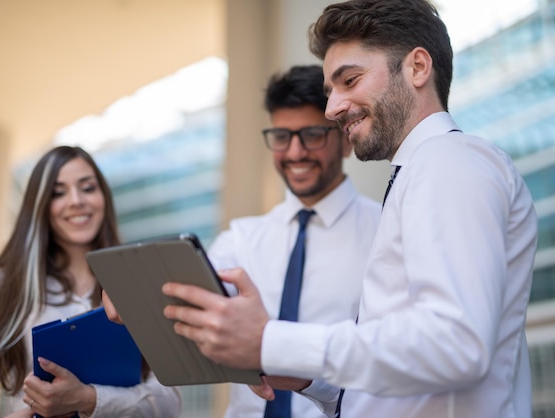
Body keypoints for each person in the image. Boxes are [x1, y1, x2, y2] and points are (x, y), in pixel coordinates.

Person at [159, 0, 539, 417]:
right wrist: (305, 376)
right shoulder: (421, 173)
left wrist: (272, 341)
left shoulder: (447, 161)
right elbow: (397, 381)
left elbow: (456, 344)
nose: (332, 108)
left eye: (350, 80)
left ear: (416, 68)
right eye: (331, 90)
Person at [0, 146, 181, 417]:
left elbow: (170, 402)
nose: (76, 201)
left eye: (87, 188)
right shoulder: (2, 288)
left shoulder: (136, 283)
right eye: (58, 192)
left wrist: (88, 399)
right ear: (40, 206)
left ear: (103, 197)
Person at [207, 65, 380, 418]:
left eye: (312, 135)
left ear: (346, 139)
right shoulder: (239, 240)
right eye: (282, 136)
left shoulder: (386, 231)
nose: (295, 152)